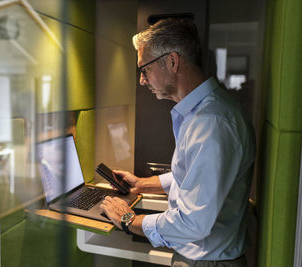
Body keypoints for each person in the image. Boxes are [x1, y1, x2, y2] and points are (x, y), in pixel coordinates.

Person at [100, 17, 256, 267]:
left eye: (145, 69)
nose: (142, 80)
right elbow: (194, 176)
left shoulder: (211, 123)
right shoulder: (204, 113)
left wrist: (129, 219)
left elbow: (192, 222)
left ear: (172, 61)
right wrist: (142, 184)